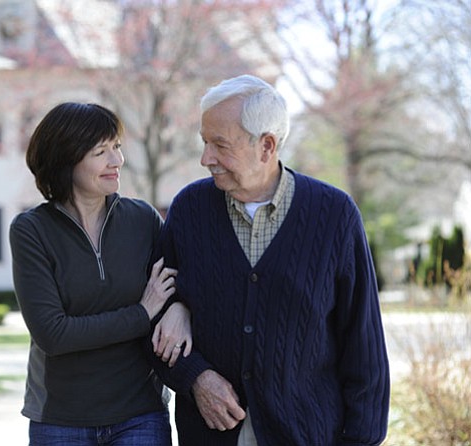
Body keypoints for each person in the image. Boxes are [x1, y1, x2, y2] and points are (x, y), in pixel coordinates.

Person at [151, 75, 390, 445]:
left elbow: (363, 345)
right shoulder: (188, 210)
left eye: (220, 145)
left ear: (266, 146)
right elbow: (153, 313)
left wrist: (360, 440)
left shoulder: (334, 215)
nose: (206, 158)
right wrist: (195, 376)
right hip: (209, 435)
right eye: (204, 142)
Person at [9, 102, 191, 446]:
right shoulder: (31, 230)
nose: (117, 161)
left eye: (117, 148)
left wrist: (179, 309)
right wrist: (141, 313)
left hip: (139, 414)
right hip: (61, 419)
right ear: (67, 159)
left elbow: (179, 290)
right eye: (101, 151)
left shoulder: (142, 219)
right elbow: (54, 335)